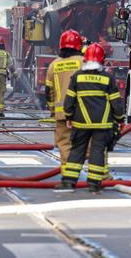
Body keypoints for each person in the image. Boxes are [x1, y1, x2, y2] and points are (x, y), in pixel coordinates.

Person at [56, 43, 124, 194]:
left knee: (77, 150)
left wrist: (69, 116)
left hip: (80, 123)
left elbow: (69, 101)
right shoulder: (107, 78)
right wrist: (120, 119)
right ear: (102, 60)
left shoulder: (77, 77)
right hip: (102, 125)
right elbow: (116, 103)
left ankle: (68, 182)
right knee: (97, 152)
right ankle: (94, 183)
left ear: (85, 59)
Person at [45, 29, 84, 166]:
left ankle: (69, 177)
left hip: (62, 115)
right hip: (84, 113)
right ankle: (101, 177)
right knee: (91, 146)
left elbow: (48, 92)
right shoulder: (83, 62)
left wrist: (53, 109)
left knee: (65, 145)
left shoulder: (53, 65)